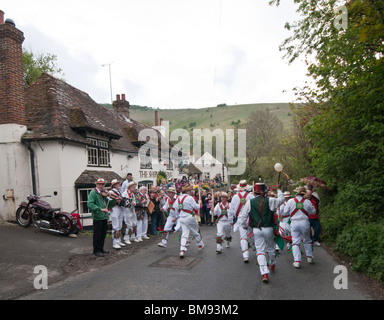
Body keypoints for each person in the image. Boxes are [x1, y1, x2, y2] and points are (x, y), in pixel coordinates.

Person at [239, 183, 284, 283]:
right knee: (271, 247)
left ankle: (264, 273)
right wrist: (279, 189)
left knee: (260, 251)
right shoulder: (271, 200)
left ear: (254, 192)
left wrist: (244, 226)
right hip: (268, 228)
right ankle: (272, 263)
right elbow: (281, 200)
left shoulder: (249, 202)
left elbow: (243, 217)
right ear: (266, 191)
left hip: (257, 230)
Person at [284, 186, 316, 268]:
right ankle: (309, 257)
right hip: (305, 222)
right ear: (303, 193)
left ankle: (297, 261)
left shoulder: (291, 201)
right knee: (307, 240)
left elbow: (285, 211)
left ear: (296, 192)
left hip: (294, 223)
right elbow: (313, 211)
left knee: (295, 241)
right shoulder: (308, 201)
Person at [87, 178, 116, 257]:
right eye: (99, 184)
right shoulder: (93, 193)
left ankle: (101, 248)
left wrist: (114, 199)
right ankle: (96, 250)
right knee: (97, 234)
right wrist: (100, 209)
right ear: (96, 184)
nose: (101, 186)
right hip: (97, 216)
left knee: (103, 234)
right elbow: (90, 204)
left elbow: (108, 204)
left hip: (104, 217)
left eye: (102, 184)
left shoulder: (103, 193)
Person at [229, 180, 255, 263]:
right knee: (253, 233)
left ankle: (245, 256)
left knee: (243, 237)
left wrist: (231, 220)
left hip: (240, 219)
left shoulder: (235, 197)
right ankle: (255, 247)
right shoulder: (251, 196)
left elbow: (231, 210)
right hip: (250, 218)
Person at [176, 185, 204, 258]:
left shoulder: (178, 198)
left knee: (184, 234)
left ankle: (182, 250)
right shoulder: (189, 198)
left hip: (181, 218)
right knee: (195, 231)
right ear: (187, 191)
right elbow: (196, 207)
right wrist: (199, 202)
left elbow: (176, 208)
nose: (191, 192)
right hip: (189, 217)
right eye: (190, 191)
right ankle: (200, 244)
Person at [109, 179, 126, 250]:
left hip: (120, 209)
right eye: (118, 184)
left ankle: (118, 241)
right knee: (115, 226)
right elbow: (109, 202)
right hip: (115, 209)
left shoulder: (119, 192)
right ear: (114, 185)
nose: (120, 185)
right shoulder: (110, 192)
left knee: (119, 226)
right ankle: (115, 242)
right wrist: (116, 201)